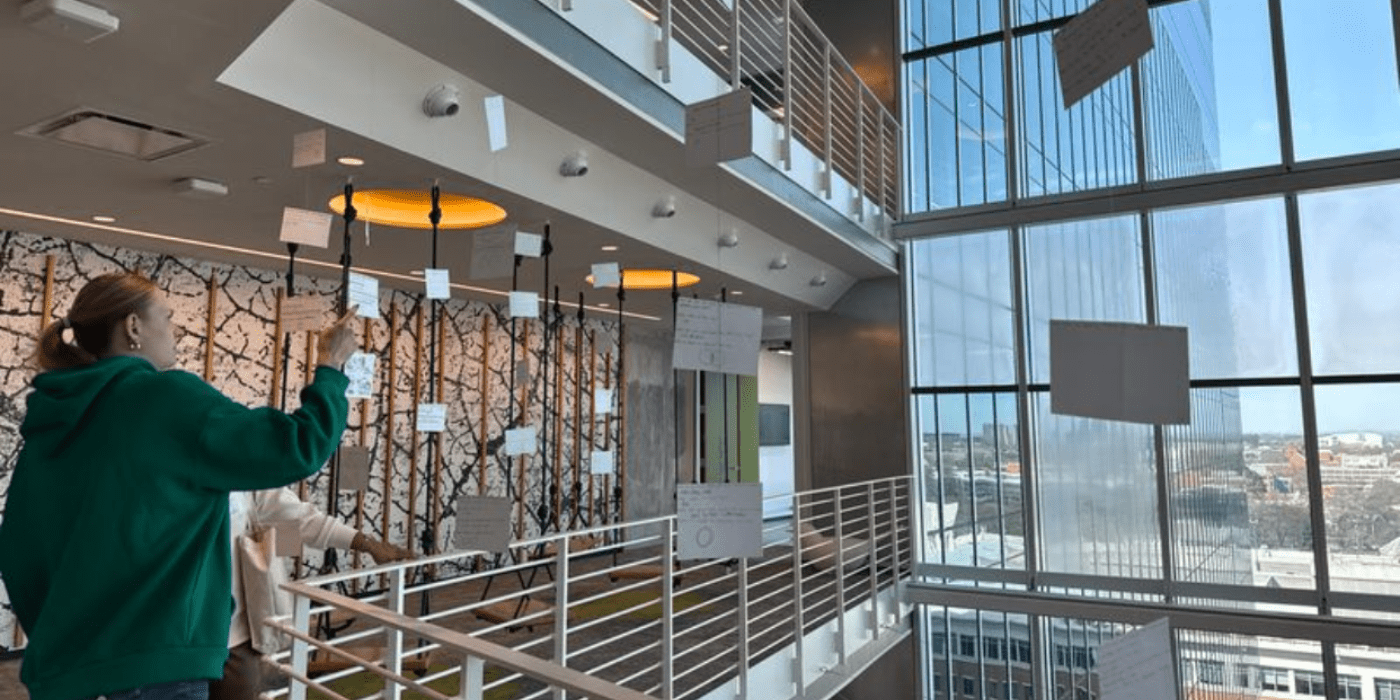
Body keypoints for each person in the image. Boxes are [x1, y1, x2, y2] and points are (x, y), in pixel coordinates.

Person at [0, 272, 358, 700]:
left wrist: (59, 632)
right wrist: (331, 367)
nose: (175, 330)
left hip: (66, 667)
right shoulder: (164, 397)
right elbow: (297, 446)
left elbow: (20, 548)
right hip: (157, 664)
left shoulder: (50, 419)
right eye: (166, 317)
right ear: (133, 327)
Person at [210, 488, 411, 700]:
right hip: (178, 640)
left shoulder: (247, 478)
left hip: (233, 639)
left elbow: (301, 518)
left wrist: (366, 543)